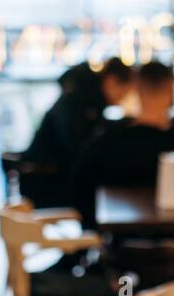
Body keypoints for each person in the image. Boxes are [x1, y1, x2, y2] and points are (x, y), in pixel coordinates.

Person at [70, 60, 174, 225]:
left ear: (136, 90)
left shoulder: (108, 141)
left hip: (122, 242)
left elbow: (79, 183)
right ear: (171, 90)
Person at [18, 59, 134, 208]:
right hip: (46, 182)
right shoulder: (79, 103)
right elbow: (77, 149)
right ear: (111, 81)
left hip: (46, 178)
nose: (121, 100)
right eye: (124, 93)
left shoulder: (83, 98)